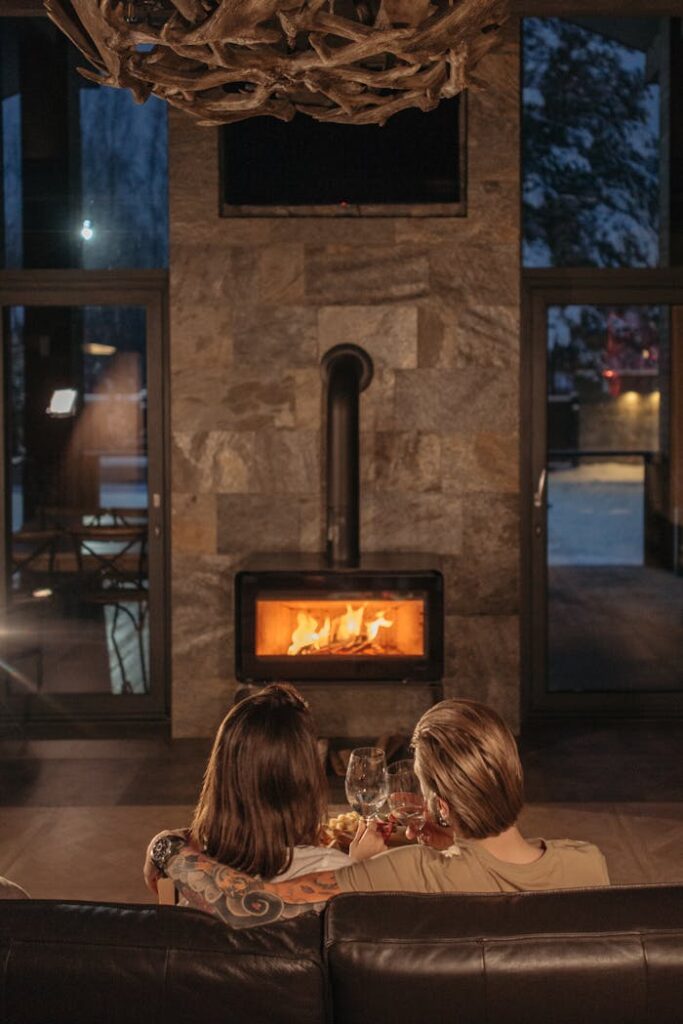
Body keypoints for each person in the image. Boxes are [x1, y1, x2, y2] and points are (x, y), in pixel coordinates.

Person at [146, 698, 609, 927]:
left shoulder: (406, 870)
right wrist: (450, 838)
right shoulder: (589, 862)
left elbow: (250, 904)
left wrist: (168, 848)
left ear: (440, 805)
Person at [145, 683, 351, 925]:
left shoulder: (191, 870)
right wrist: (361, 864)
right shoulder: (334, 870)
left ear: (221, 774)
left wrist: (164, 844)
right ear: (305, 778)